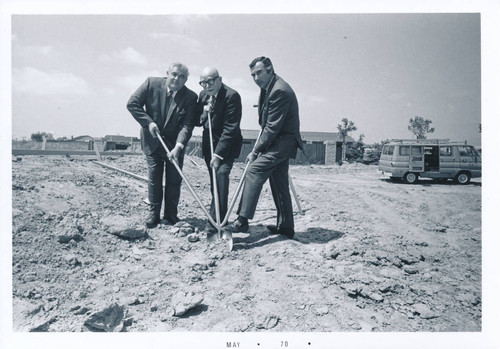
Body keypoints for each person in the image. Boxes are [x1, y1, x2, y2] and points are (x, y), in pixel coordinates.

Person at [229, 56, 303, 238]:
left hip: (282, 142)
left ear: (270, 68)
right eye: (253, 75)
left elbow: (272, 127)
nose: (256, 78)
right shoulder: (268, 87)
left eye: (259, 73)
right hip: (277, 141)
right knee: (279, 184)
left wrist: (255, 151)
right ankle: (286, 226)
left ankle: (242, 221)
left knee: (254, 170)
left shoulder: (280, 90)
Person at [127, 62, 198, 228]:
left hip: (174, 145)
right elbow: (132, 103)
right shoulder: (151, 83)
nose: (176, 79)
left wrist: (178, 147)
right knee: (155, 178)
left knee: (174, 179)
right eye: (174, 74)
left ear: (186, 80)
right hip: (152, 141)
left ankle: (171, 215)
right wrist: (149, 123)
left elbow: (187, 126)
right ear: (167, 73)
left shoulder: (190, 97)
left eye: (181, 77)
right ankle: (154, 215)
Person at [197, 67, 243, 235]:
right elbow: (197, 119)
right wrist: (203, 113)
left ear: (219, 79)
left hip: (227, 146)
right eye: (203, 82)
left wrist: (218, 155)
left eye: (210, 81)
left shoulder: (232, 96)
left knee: (221, 175)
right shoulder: (203, 96)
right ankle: (220, 219)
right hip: (209, 145)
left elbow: (230, 128)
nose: (207, 86)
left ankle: (214, 223)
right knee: (214, 183)